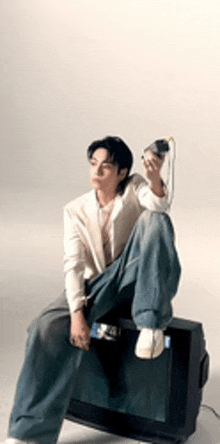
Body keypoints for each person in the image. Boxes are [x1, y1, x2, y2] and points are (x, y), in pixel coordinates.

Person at [3, 136, 181, 444]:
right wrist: (76, 315)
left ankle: (151, 321)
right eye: (93, 164)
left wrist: (154, 179)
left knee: (155, 220)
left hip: (134, 276)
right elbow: (73, 265)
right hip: (96, 284)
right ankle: (29, 433)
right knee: (45, 327)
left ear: (122, 172)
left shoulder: (136, 187)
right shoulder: (75, 209)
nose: (97, 171)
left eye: (106, 166)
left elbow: (160, 205)